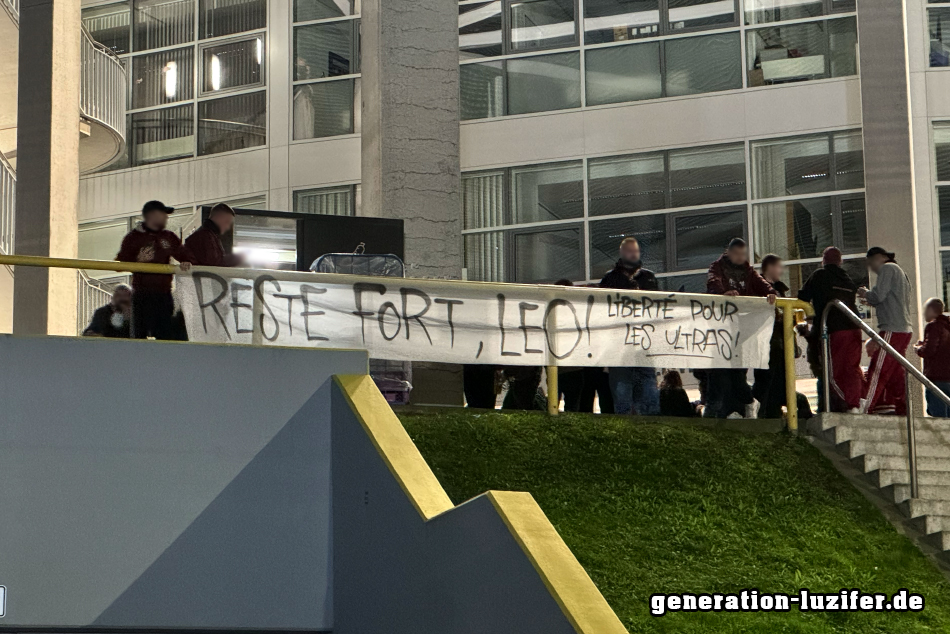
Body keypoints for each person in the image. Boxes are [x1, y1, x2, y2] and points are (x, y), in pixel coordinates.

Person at [704, 238, 776, 419]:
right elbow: (713, 282)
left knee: (736, 373)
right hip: (722, 330)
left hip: (742, 331)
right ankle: (728, 410)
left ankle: (742, 405)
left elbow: (764, 286)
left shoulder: (748, 270)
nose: (740, 258)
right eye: (737, 254)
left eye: (743, 254)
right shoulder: (717, 266)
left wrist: (771, 294)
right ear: (728, 252)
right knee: (720, 373)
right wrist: (723, 294)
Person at [798, 247, 863, 413]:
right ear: (840, 261)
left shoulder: (819, 275)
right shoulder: (848, 280)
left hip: (833, 328)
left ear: (823, 260)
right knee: (852, 369)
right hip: (855, 327)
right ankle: (854, 405)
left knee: (833, 371)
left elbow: (803, 297)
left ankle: (842, 405)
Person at [116, 200, 194, 340]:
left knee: (165, 336)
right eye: (164, 214)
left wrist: (186, 261)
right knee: (139, 336)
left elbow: (185, 255)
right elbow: (119, 264)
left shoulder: (168, 237)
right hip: (142, 295)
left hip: (163, 295)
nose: (166, 217)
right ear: (152, 215)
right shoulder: (133, 238)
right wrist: (138, 261)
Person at [600, 237, 660, 416]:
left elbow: (658, 307)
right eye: (630, 251)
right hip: (619, 347)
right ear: (622, 252)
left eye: (636, 251)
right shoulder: (610, 279)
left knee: (649, 395)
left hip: (644, 345)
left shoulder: (648, 277)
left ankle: (652, 428)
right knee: (622, 395)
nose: (634, 254)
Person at [858, 246, 914, 416]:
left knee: (878, 369)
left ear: (878, 258)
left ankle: (865, 407)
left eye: (871, 263)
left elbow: (878, 296)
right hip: (904, 328)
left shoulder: (887, 268)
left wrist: (866, 293)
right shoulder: (901, 273)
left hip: (891, 327)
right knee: (896, 372)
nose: (872, 269)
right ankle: (903, 409)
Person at [751, 254, 790, 418]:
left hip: (780, 342)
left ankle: (774, 411)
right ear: (770, 267)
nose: (781, 271)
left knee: (780, 380)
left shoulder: (780, 290)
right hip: (766, 342)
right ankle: (765, 413)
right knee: (766, 380)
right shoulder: (757, 288)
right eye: (779, 267)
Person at [553, 279, 586, 412]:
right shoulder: (577, 311)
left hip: (560, 368)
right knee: (572, 406)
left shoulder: (552, 312)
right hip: (571, 368)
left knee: (556, 405)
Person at [915, 298, 950, 417]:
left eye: (925, 310)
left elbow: (929, 350)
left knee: (938, 417)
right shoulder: (947, 326)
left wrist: (919, 349)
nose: (924, 313)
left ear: (930, 310)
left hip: (937, 377)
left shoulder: (933, 326)